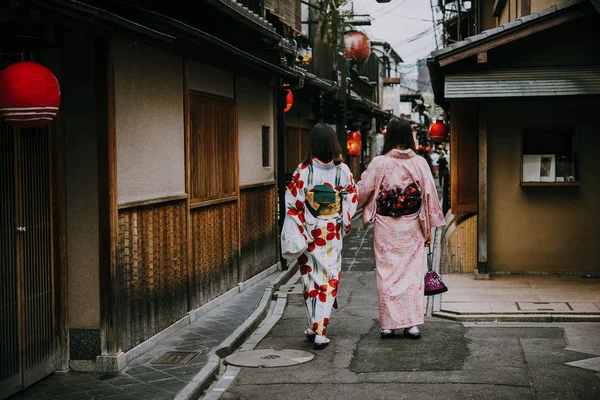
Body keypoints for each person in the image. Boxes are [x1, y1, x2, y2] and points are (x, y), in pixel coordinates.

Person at [357, 118, 445, 339]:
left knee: (386, 274)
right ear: (409, 137)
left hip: (387, 225)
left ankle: (388, 325)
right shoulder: (419, 162)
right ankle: (411, 324)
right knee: (411, 274)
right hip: (412, 223)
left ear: (389, 137)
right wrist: (429, 229)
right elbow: (429, 195)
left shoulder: (380, 162)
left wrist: (348, 197)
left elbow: (363, 190)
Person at [281, 123, 358, 350]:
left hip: (310, 232)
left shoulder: (302, 171)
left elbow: (292, 203)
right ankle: (320, 331)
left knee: (311, 281)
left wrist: (303, 223)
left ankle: (316, 327)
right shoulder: (342, 171)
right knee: (330, 279)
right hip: (332, 232)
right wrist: (343, 217)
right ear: (334, 144)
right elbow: (351, 196)